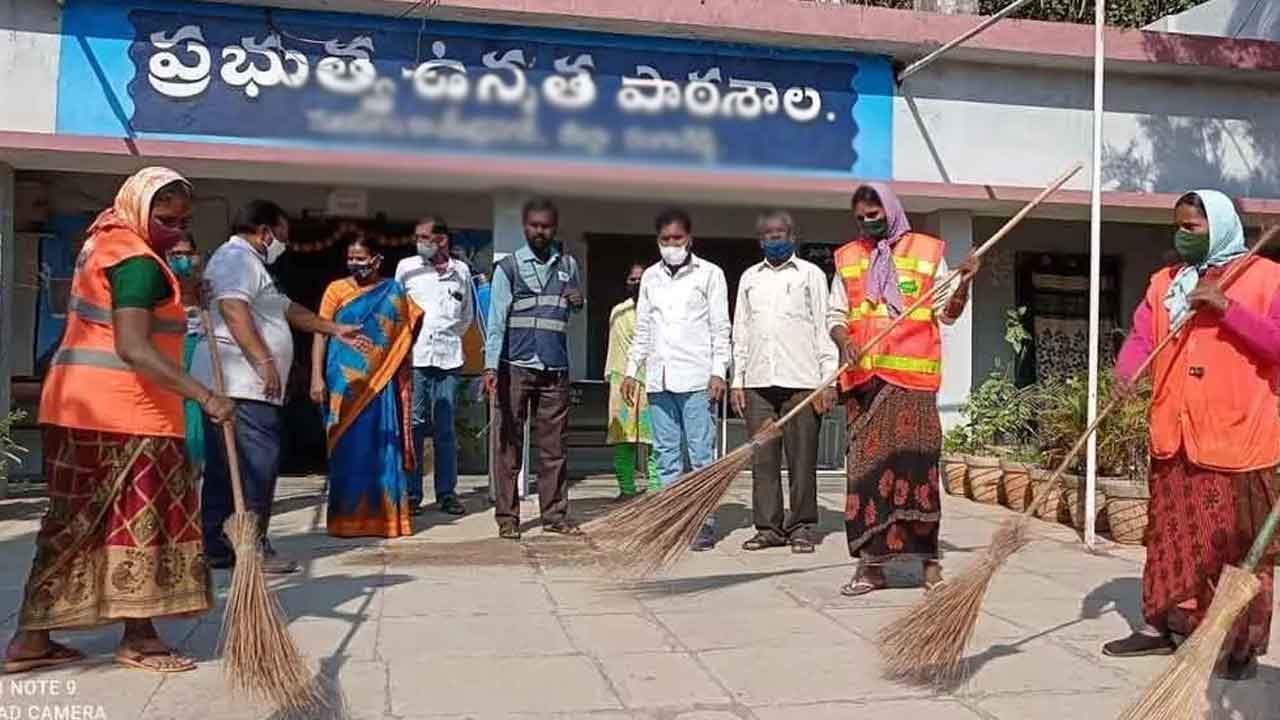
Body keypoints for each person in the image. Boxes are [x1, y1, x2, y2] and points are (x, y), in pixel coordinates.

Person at [4, 167, 235, 675]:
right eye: (165, 217)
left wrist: (183, 293)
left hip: (78, 409)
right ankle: (140, 638)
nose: (174, 229)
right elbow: (132, 346)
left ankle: (31, 640)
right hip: (126, 415)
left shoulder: (106, 241)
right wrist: (206, 396)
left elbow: (120, 317)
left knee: (75, 523)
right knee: (142, 523)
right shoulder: (137, 263)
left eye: (183, 221)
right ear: (139, 206)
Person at [1101, 190, 1280, 680]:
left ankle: (1238, 645)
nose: (1181, 236)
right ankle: (1163, 624)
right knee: (1169, 540)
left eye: (1192, 228)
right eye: (1177, 226)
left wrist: (1226, 308)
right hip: (1174, 433)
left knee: (1235, 549)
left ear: (1218, 227)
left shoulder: (1266, 277)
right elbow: (1142, 336)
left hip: (1236, 440)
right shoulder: (1166, 283)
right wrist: (1127, 376)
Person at [191, 199, 368, 575]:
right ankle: (250, 545)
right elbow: (233, 310)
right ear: (264, 231)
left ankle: (221, 545)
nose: (283, 244)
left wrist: (335, 328)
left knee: (229, 467)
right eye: (282, 236)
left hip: (245, 384)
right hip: (241, 383)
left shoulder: (254, 266)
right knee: (257, 464)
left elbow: (286, 309)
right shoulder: (236, 259)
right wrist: (264, 361)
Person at [827, 183, 977, 596]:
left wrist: (963, 282)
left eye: (873, 216)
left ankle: (928, 565)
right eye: (859, 218)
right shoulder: (848, 257)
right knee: (867, 479)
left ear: (890, 211)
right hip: (865, 387)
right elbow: (836, 314)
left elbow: (947, 314)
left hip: (913, 386)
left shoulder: (927, 253)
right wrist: (844, 342)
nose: (866, 224)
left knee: (918, 474)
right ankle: (870, 567)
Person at [623, 208, 731, 552]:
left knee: (701, 454)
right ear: (658, 241)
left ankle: (703, 521)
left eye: (677, 239)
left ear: (690, 239)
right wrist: (630, 371)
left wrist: (719, 371)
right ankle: (672, 519)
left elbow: (720, 328)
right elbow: (643, 328)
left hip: (697, 377)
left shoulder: (710, 274)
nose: (672, 245)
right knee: (666, 455)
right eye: (665, 240)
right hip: (659, 378)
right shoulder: (651, 278)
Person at [731, 210, 838, 554]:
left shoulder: (811, 275)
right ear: (760, 240)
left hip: (803, 383)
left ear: (793, 236)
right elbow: (741, 332)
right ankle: (768, 528)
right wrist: (738, 380)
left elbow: (824, 329)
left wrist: (827, 380)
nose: (775, 240)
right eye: (768, 235)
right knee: (763, 460)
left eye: (781, 234)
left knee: (802, 458)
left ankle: (803, 525)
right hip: (758, 383)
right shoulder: (749, 278)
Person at [482, 197, 584, 540]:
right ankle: (508, 518)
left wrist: (577, 302)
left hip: (555, 368)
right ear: (525, 228)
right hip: (515, 367)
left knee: (554, 448)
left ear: (555, 228)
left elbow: (569, 310)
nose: (540, 231)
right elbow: (496, 322)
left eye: (546, 225)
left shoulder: (569, 265)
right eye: (534, 225)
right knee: (508, 446)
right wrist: (490, 369)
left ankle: (555, 514)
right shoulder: (508, 269)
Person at [311, 235, 422, 538]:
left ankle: (386, 518)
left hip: (380, 383)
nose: (355, 264)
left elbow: (410, 327)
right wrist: (316, 377)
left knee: (381, 447)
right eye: (351, 258)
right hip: (342, 384)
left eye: (361, 258)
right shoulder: (336, 289)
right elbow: (320, 332)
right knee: (345, 449)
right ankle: (346, 519)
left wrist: (386, 356)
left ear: (376, 260)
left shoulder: (394, 292)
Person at [396, 216, 474, 516]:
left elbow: (466, 314)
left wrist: (450, 334)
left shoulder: (461, 271)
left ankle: (447, 493)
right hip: (415, 358)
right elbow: (396, 308)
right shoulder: (407, 268)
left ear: (441, 239)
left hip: (449, 358)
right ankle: (412, 494)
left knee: (446, 428)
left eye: (424, 237)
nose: (419, 242)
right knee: (413, 425)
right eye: (417, 237)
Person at [605, 263, 660, 499]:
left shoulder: (660, 312)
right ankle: (626, 489)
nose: (637, 283)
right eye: (633, 279)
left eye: (642, 279)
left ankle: (657, 489)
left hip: (653, 382)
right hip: (621, 381)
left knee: (655, 440)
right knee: (622, 439)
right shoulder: (618, 311)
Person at [167, 233, 207, 472]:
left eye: (187, 254)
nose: (182, 259)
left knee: (195, 418)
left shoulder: (206, 289)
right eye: (176, 255)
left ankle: (195, 475)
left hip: (200, 359)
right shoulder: (162, 289)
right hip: (169, 357)